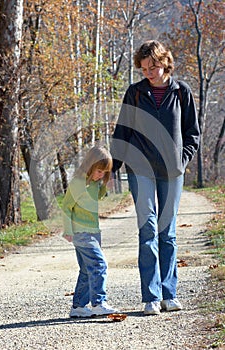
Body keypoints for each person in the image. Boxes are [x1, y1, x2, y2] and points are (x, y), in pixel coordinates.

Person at [111, 40, 200, 315]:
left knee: (168, 233)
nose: (149, 72)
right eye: (144, 68)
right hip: (141, 171)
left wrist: (180, 162)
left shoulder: (181, 92)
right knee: (148, 229)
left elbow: (192, 134)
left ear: (165, 62)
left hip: (171, 174)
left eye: (154, 66)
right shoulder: (135, 93)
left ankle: (169, 293)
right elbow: (122, 132)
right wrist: (110, 168)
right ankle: (151, 296)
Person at [62, 146, 118, 318]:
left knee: (86, 270)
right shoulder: (78, 183)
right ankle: (99, 302)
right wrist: (68, 231)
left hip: (94, 231)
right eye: (99, 171)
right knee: (99, 265)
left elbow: (97, 197)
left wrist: (105, 186)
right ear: (90, 165)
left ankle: (78, 306)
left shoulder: (94, 184)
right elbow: (66, 207)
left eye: (104, 172)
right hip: (81, 233)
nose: (101, 175)